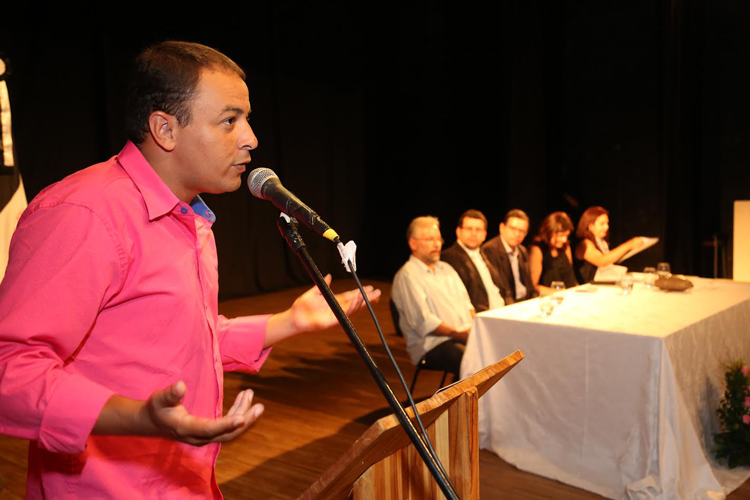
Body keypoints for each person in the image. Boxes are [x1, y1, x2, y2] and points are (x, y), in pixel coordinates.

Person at [0, 41, 379, 498]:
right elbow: (9, 370)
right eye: (230, 120)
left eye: (248, 118)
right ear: (165, 128)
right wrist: (137, 417)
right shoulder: (84, 212)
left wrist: (291, 323)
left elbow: (181, 340)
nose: (251, 138)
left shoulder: (191, 219)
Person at [391, 216, 474, 381]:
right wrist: (460, 335)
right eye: (430, 239)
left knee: (499, 353)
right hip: (432, 344)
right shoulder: (408, 275)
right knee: (473, 362)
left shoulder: (447, 269)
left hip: (462, 337)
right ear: (413, 244)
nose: (437, 244)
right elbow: (423, 321)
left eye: (439, 239)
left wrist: (476, 331)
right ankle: (459, 404)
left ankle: (467, 402)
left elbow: (468, 305)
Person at [440, 209, 504, 312]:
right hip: (476, 318)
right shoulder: (448, 258)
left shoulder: (486, 255)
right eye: (469, 229)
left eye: (478, 230)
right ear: (458, 231)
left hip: (499, 313)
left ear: (484, 235)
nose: (473, 234)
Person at [574, 206, 644, 283]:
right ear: (591, 226)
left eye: (607, 223)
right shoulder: (585, 244)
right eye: (602, 224)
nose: (606, 227)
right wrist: (630, 244)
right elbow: (601, 261)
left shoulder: (602, 242)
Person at [482, 209, 537, 304]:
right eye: (513, 229)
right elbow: (500, 288)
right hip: (507, 304)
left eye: (522, 231)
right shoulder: (490, 250)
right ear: (502, 228)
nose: (517, 234)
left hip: (525, 302)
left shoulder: (522, 250)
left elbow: (530, 286)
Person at [529, 211, 578, 293]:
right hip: (550, 298)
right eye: (561, 236)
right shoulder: (538, 250)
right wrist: (557, 292)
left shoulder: (565, 247)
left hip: (570, 294)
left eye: (566, 235)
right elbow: (533, 285)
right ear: (549, 232)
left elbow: (571, 276)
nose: (564, 239)